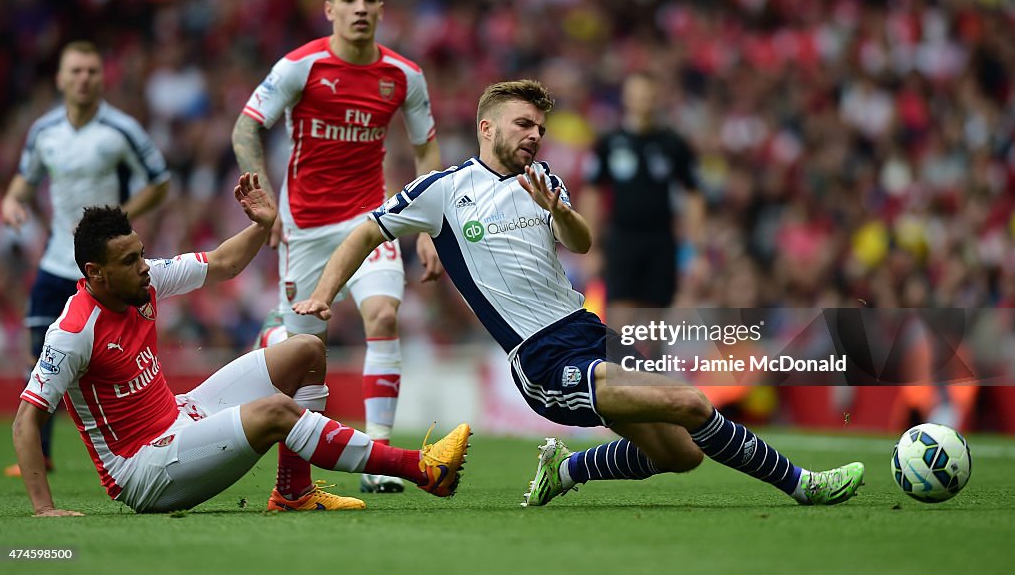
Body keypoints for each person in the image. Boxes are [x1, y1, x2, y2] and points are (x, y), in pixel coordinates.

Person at [293, 80, 865, 509]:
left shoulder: (544, 181)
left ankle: (567, 472)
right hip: (543, 358)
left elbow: (584, 242)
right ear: (488, 128)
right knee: (690, 403)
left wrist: (557, 210)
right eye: (524, 125)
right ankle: (802, 485)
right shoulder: (444, 190)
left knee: (681, 454)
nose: (535, 136)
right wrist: (324, 294)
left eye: (540, 128)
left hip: (587, 330)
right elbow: (367, 229)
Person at [11, 173, 470, 516]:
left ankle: (294, 493)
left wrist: (261, 226)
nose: (144, 266)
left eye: (140, 253)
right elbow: (26, 420)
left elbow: (224, 263)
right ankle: (420, 468)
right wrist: (44, 509)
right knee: (275, 411)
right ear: (95, 273)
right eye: (130, 261)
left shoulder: (142, 281)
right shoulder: (72, 332)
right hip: (144, 470)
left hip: (181, 414)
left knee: (306, 349)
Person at [231, 0, 443, 494]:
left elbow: (427, 151)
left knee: (382, 314)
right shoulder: (299, 67)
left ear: (380, 8)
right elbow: (246, 126)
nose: (360, 9)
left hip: (371, 220)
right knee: (306, 351)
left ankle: (378, 454)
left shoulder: (403, 76)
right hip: (304, 226)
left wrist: (427, 227)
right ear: (329, 9)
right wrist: (261, 192)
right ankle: (274, 341)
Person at [1, 40, 171, 477]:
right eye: (75, 71)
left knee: (110, 346)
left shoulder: (121, 130)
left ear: (102, 78)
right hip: (57, 259)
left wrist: (117, 228)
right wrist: (11, 202)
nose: (83, 78)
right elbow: (25, 177)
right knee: (40, 351)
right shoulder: (44, 132)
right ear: (60, 78)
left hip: (104, 270)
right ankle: (40, 453)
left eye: (92, 71)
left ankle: (135, 430)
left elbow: (160, 181)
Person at [581, 71, 705, 309]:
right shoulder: (608, 143)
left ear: (656, 98)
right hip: (621, 239)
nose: (642, 101)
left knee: (655, 320)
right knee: (621, 314)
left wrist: (697, 251)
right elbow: (592, 192)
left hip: (661, 241)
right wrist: (590, 248)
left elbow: (694, 194)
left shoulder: (674, 144)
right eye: (636, 95)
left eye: (647, 96)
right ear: (626, 98)